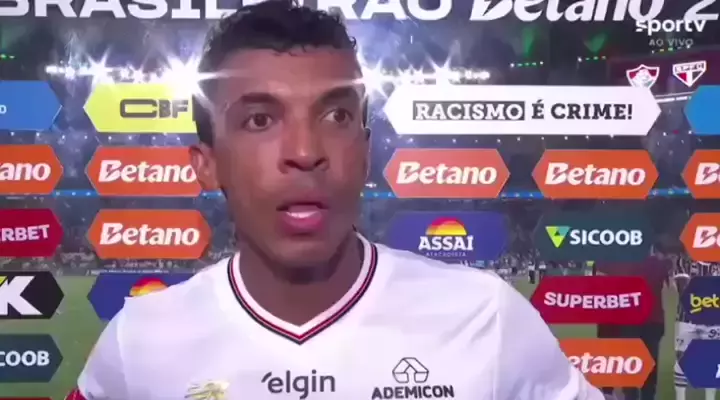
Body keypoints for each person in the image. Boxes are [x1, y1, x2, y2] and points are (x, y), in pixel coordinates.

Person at [67, 1, 603, 399]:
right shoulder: (140, 342)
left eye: (336, 115)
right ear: (206, 164)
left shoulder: (487, 320)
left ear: (365, 151)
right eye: (260, 119)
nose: (305, 152)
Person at [595, 252, 671, 400]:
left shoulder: (657, 263)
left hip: (646, 320)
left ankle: (640, 396)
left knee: (642, 365)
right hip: (639, 320)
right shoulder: (657, 263)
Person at [673, 256, 720, 400]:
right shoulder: (684, 261)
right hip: (687, 320)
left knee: (712, 359)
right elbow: (683, 289)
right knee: (682, 360)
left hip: (714, 321)